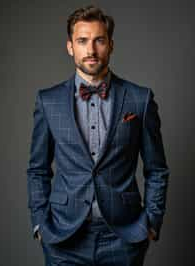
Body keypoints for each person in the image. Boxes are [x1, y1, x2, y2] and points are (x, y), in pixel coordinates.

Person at [26, 5, 170, 266]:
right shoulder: (48, 101)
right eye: (82, 41)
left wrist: (151, 222)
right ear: (70, 46)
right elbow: (37, 169)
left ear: (111, 45)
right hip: (63, 237)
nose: (91, 50)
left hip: (124, 237)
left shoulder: (140, 99)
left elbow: (157, 169)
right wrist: (40, 224)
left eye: (99, 40)